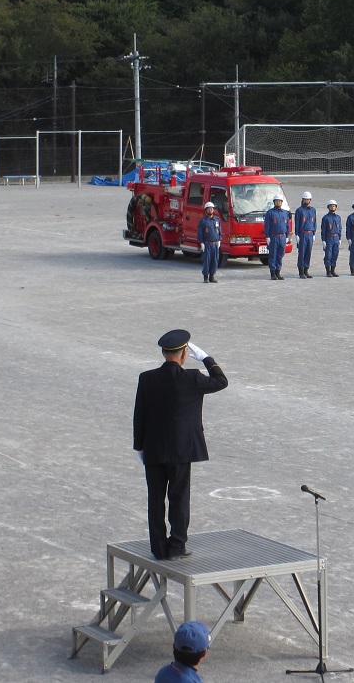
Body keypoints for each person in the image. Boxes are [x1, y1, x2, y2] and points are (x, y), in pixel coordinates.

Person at [133, 330, 228, 561]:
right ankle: (177, 546)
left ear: (164, 353)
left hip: (153, 448)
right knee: (179, 497)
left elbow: (140, 415)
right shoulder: (193, 378)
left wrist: (140, 446)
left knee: (155, 498)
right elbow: (221, 382)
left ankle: (158, 547)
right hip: (181, 450)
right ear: (184, 354)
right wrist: (206, 358)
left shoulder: (147, 378)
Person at [263, 195, 290, 281]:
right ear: (274, 202)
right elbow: (267, 226)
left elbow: (287, 225)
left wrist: (287, 236)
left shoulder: (285, 213)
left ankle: (278, 272)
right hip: (273, 236)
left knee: (280, 255)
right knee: (273, 255)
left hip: (282, 236)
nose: (278, 202)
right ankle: (273, 273)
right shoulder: (270, 213)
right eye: (276, 201)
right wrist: (267, 236)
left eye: (279, 201)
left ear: (282, 202)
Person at [293, 192, 318, 279]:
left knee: (308, 252)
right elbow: (297, 223)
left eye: (308, 199)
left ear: (310, 200)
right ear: (303, 200)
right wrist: (297, 235)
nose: (306, 200)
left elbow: (314, 222)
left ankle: (306, 270)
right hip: (302, 234)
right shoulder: (299, 210)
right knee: (302, 253)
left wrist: (314, 233)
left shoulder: (313, 210)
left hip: (310, 234)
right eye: (305, 199)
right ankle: (301, 271)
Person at [197, 201, 221, 283]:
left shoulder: (217, 220)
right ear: (206, 210)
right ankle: (205, 277)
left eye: (212, 209)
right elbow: (200, 233)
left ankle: (212, 276)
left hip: (215, 244)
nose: (210, 210)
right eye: (209, 209)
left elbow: (219, 231)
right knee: (207, 260)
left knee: (215, 260)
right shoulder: (203, 221)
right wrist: (201, 243)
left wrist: (219, 240)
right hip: (207, 244)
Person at [321, 199, 342, 277]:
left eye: (334, 206)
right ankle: (328, 271)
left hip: (336, 237)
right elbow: (323, 230)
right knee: (328, 255)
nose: (332, 207)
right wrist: (323, 240)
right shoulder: (325, 218)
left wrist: (339, 238)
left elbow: (340, 228)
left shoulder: (338, 218)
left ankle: (333, 270)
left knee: (335, 255)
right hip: (329, 238)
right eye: (331, 206)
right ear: (328, 207)